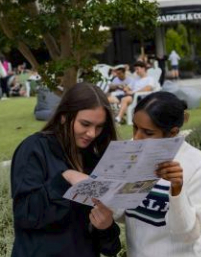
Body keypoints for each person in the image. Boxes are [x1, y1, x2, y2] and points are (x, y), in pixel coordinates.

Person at [11, 83, 121, 257]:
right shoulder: (34, 148)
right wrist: (66, 178)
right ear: (64, 116)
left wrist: (106, 227)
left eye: (99, 126)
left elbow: (110, 248)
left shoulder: (95, 158)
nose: (92, 133)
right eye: (85, 124)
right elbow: (25, 215)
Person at [123, 92, 201, 257]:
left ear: (172, 132)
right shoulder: (130, 152)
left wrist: (177, 191)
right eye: (135, 127)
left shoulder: (197, 163)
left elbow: (189, 234)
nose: (137, 138)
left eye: (148, 133)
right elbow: (122, 215)